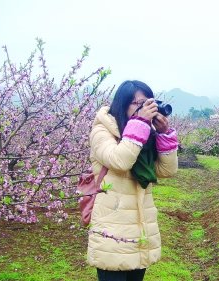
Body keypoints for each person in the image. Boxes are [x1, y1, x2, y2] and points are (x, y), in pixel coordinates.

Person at [87, 80, 178, 281]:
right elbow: (120, 161)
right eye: (138, 103)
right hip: (112, 229)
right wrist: (140, 124)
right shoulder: (102, 132)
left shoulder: (143, 134)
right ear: (122, 104)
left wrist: (163, 134)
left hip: (140, 228)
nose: (144, 108)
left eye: (148, 102)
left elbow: (166, 170)